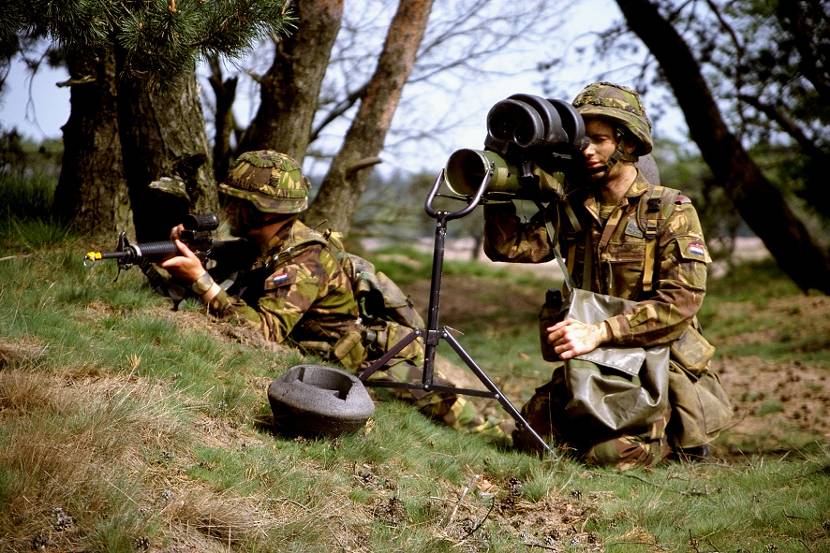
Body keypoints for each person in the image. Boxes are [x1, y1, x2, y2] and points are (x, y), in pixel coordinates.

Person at [483, 82, 731, 468]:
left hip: (654, 363)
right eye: (583, 138)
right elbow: (508, 247)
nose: (587, 149)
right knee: (532, 442)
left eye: (599, 139)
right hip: (592, 365)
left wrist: (599, 331)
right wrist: (498, 173)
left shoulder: (670, 209)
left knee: (609, 456)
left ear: (629, 143)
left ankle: (672, 438)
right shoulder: (574, 209)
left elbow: (680, 304)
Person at [160, 150, 485, 430]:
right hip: (345, 358)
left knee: (469, 423)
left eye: (238, 202)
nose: (229, 209)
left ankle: (522, 447)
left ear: (265, 210)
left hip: (385, 363)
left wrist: (202, 281)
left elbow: (264, 331)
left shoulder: (305, 261)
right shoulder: (269, 244)